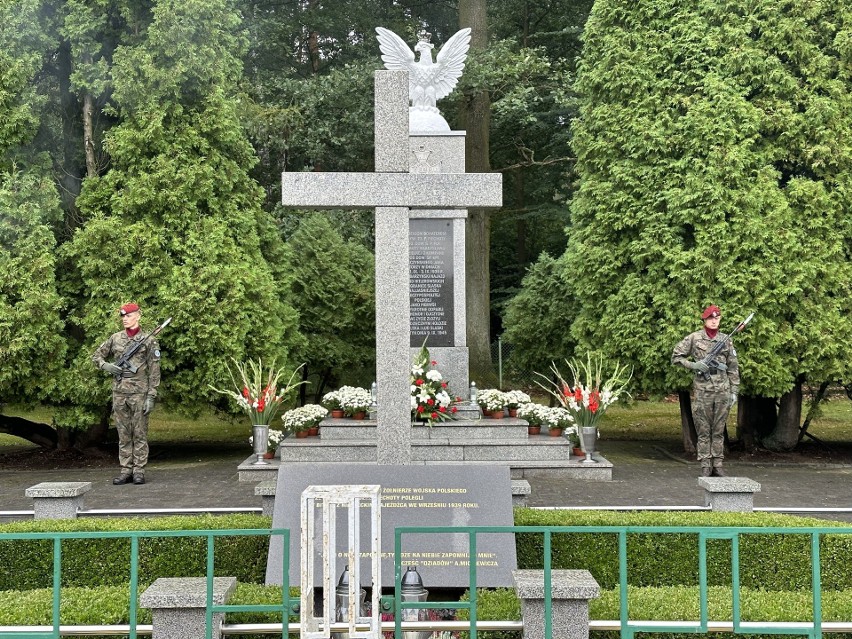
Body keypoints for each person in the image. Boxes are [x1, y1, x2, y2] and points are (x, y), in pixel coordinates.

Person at [92, 303, 161, 485]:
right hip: (120, 393)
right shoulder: (115, 338)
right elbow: (96, 356)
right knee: (123, 433)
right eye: (123, 316)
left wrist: (151, 396)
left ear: (138, 316)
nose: (125, 319)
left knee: (139, 433)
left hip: (139, 393)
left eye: (128, 316)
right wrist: (106, 365)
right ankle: (125, 470)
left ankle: (139, 470)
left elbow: (154, 370)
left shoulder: (148, 340)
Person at [672, 305, 740, 477]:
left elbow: (733, 367)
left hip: (723, 390)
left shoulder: (726, 340)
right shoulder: (695, 338)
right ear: (704, 320)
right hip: (703, 390)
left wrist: (734, 390)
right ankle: (704, 464)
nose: (714, 321)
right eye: (711, 318)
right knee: (703, 429)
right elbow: (676, 356)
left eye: (717, 318)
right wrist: (693, 365)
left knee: (718, 429)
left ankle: (717, 464)